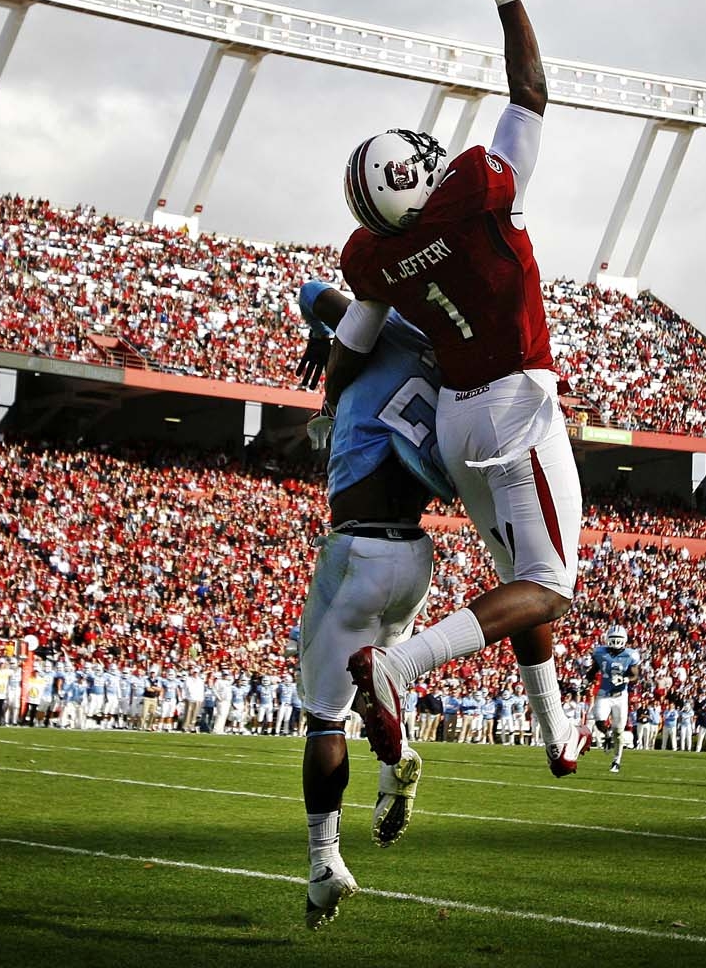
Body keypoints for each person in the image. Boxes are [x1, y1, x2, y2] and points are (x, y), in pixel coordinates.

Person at [328, 0, 589, 781]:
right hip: (514, 403)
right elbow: (532, 92)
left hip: (454, 424)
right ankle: (400, 667)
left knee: (520, 582)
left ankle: (557, 729)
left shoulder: (374, 256)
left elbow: (354, 338)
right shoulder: (478, 191)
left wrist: (326, 402)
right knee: (549, 585)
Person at [291, 280, 454, 930]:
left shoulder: (380, 327)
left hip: (358, 549)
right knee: (373, 677)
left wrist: (323, 332)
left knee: (323, 717)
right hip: (416, 555)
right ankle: (393, 765)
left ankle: (324, 862)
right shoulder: (448, 360)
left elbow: (313, 293)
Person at [589, 626, 641, 774]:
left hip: (620, 696)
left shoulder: (630, 655)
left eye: (619, 640)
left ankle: (616, 760)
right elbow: (593, 670)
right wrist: (587, 680)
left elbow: (635, 676)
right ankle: (607, 735)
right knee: (599, 720)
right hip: (604, 693)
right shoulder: (600, 653)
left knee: (619, 731)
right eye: (613, 640)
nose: (616, 643)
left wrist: (624, 678)